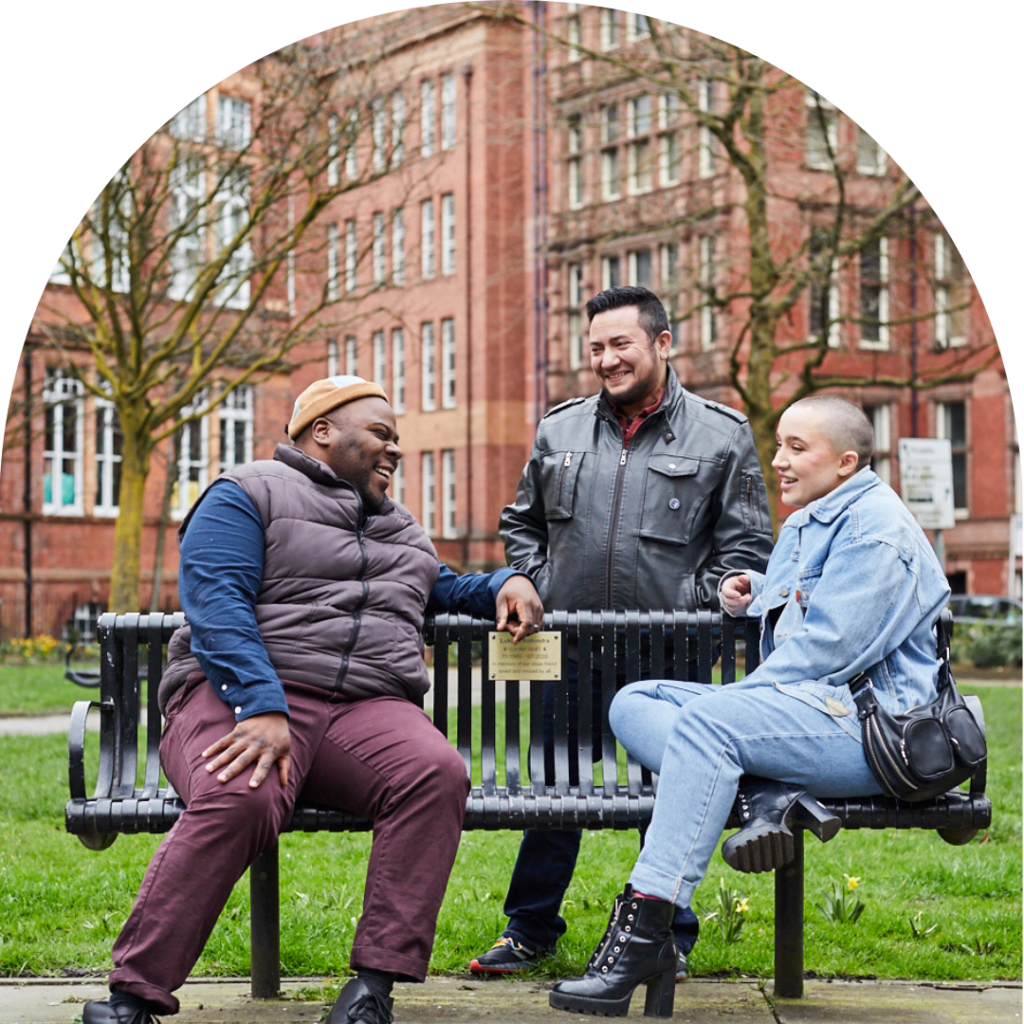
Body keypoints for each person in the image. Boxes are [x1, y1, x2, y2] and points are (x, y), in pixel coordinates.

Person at [82, 376, 543, 1024]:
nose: (394, 450)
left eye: (396, 440)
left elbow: (443, 585)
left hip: (363, 709)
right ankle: (132, 995)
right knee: (241, 792)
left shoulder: (401, 530)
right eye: (381, 433)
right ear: (322, 430)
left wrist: (506, 580)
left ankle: (371, 990)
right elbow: (216, 604)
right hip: (236, 696)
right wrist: (261, 705)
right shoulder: (246, 492)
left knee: (434, 772)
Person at [547, 395, 951, 1018]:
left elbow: (828, 650)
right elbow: (811, 607)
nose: (778, 461)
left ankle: (645, 933)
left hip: (873, 731)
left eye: (797, 448)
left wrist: (727, 710)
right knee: (635, 701)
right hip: (812, 714)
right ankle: (774, 797)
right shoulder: (813, 519)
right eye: (779, 444)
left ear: (845, 462)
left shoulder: (877, 530)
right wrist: (757, 594)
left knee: (709, 725)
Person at [469, 286, 773, 978]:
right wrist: (542, 581)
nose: (607, 360)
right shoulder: (560, 429)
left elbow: (747, 552)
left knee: (672, 791)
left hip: (670, 655)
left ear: (663, 344)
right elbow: (522, 522)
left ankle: (668, 932)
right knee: (552, 793)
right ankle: (530, 929)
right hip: (568, 647)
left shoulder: (722, 435)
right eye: (597, 348)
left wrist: (694, 595)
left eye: (621, 346)